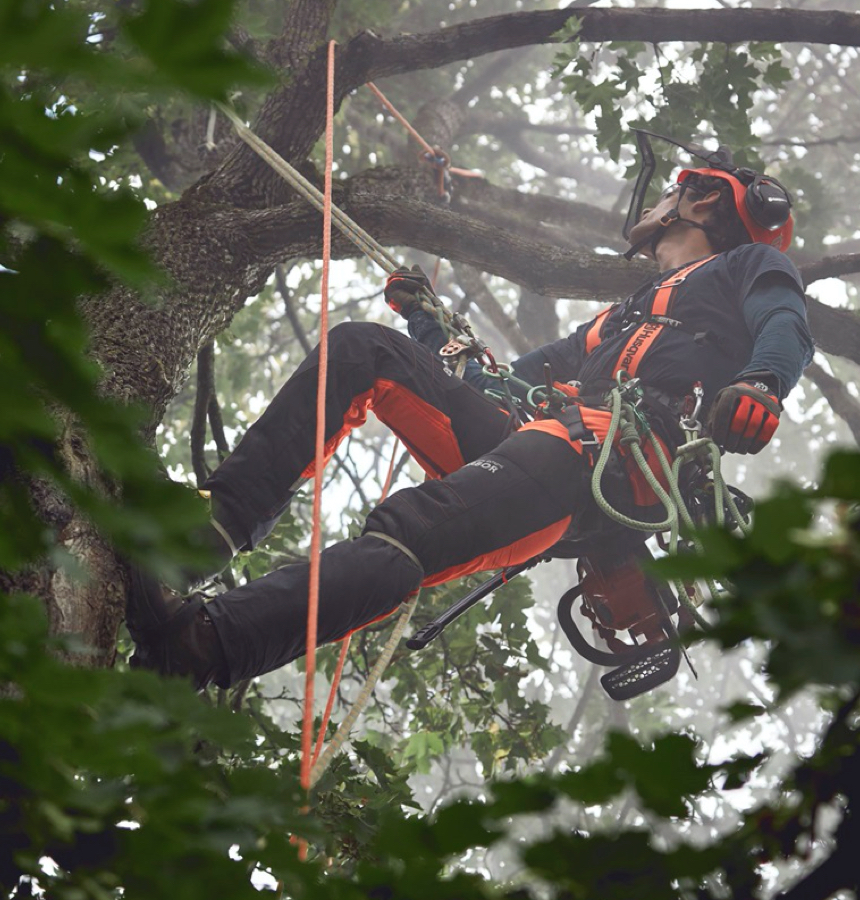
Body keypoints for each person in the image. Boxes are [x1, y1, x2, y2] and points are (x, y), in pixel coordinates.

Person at [126, 145, 815, 690]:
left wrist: (763, 382)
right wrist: (429, 326)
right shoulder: (622, 316)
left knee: (410, 529)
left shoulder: (743, 266)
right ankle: (204, 534)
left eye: (675, 187)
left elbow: (786, 319)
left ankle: (202, 647)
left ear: (700, 199)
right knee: (364, 349)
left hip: (603, 463)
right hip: (543, 441)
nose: (662, 196)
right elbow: (499, 383)